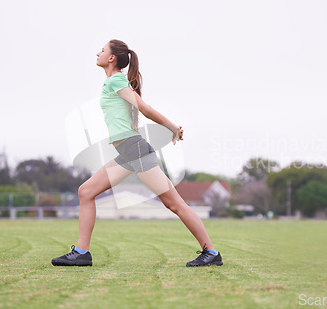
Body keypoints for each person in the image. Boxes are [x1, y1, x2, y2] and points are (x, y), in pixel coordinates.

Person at [52, 39, 222, 267]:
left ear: (112, 58)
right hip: (127, 154)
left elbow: (144, 107)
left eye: (102, 50)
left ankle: (210, 252)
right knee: (86, 192)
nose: (98, 53)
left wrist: (171, 127)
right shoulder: (113, 82)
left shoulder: (117, 80)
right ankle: (82, 252)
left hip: (136, 151)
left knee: (174, 204)